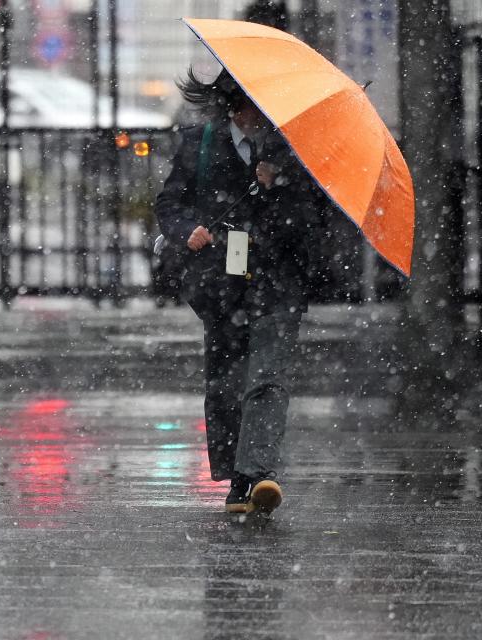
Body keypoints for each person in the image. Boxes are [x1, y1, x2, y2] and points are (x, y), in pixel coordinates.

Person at [154, 68, 326, 514]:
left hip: (277, 283)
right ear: (235, 104)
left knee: (268, 381)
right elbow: (170, 203)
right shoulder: (200, 143)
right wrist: (186, 230)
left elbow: (311, 221)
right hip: (220, 283)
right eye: (254, 102)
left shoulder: (290, 150)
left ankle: (257, 475)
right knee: (226, 386)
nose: (263, 113)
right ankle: (236, 477)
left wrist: (279, 186)